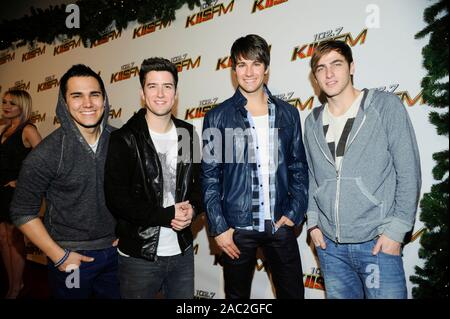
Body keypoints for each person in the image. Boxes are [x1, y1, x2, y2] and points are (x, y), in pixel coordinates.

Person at [304, 40, 421, 299]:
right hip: (330, 248)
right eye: (321, 68)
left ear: (352, 67)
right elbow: (313, 176)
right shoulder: (311, 121)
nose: (329, 74)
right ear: (315, 77)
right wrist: (312, 223)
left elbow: (409, 171)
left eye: (337, 64)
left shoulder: (384, 106)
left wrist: (395, 231)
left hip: (377, 242)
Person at [201, 34, 309, 299]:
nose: (248, 72)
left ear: (266, 68)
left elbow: (298, 167)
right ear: (233, 69)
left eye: (255, 64)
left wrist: (295, 211)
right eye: (241, 65)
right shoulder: (217, 116)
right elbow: (210, 177)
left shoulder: (287, 113)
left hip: (280, 225)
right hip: (237, 229)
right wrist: (219, 227)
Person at [9, 64, 120, 299]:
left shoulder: (121, 141)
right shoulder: (47, 152)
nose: (87, 103)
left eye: (94, 94)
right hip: (72, 258)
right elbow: (21, 211)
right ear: (64, 102)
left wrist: (129, 232)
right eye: (77, 96)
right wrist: (59, 255)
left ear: (104, 99)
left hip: (116, 254)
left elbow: (135, 191)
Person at [104, 57, 202, 299]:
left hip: (182, 252)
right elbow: (117, 199)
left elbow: (200, 185)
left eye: (167, 86)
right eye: (152, 86)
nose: (160, 93)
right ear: (142, 92)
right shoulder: (123, 139)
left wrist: (194, 209)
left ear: (176, 93)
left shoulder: (188, 133)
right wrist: (166, 215)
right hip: (139, 255)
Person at [0, 89, 41, 298]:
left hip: (16, 194)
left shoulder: (28, 129)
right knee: (3, 239)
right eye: (4, 102)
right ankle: (15, 282)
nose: (6, 106)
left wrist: (22, 181)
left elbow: (43, 161)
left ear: (22, 106)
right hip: (1, 192)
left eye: (12, 103)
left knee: (15, 240)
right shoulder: (3, 128)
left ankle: (15, 287)